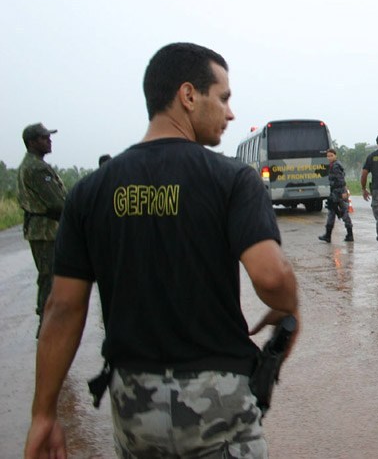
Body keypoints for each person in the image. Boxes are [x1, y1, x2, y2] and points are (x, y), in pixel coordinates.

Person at [24, 42, 300, 458]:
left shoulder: (89, 192)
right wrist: (287, 307)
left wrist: (43, 415)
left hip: (134, 403)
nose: (230, 113)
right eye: (223, 98)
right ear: (188, 96)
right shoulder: (231, 180)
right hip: (217, 403)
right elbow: (271, 277)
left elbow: (61, 310)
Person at [16, 122, 67, 337]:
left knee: (50, 275)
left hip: (43, 229)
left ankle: (47, 322)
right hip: (46, 230)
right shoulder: (36, 168)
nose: (49, 140)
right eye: (44, 138)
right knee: (50, 276)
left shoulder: (31, 164)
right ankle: (47, 325)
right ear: (32, 142)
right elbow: (56, 203)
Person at [319, 148, 353, 242]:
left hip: (339, 193)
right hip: (334, 193)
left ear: (335, 155)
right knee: (331, 213)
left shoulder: (336, 166)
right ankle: (328, 235)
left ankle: (350, 234)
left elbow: (341, 180)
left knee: (344, 213)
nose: (329, 158)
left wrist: (343, 192)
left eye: (331, 156)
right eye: (328, 156)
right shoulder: (332, 165)